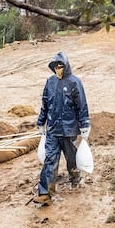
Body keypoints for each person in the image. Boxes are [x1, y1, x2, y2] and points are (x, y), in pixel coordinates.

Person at [34, 51, 90, 206]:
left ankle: (75, 177)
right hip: (52, 130)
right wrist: (41, 122)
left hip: (69, 129)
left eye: (61, 66)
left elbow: (82, 105)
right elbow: (45, 104)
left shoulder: (74, 82)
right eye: (56, 66)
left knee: (71, 158)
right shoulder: (50, 82)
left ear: (66, 66)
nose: (58, 69)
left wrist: (85, 124)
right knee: (50, 160)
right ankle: (45, 193)